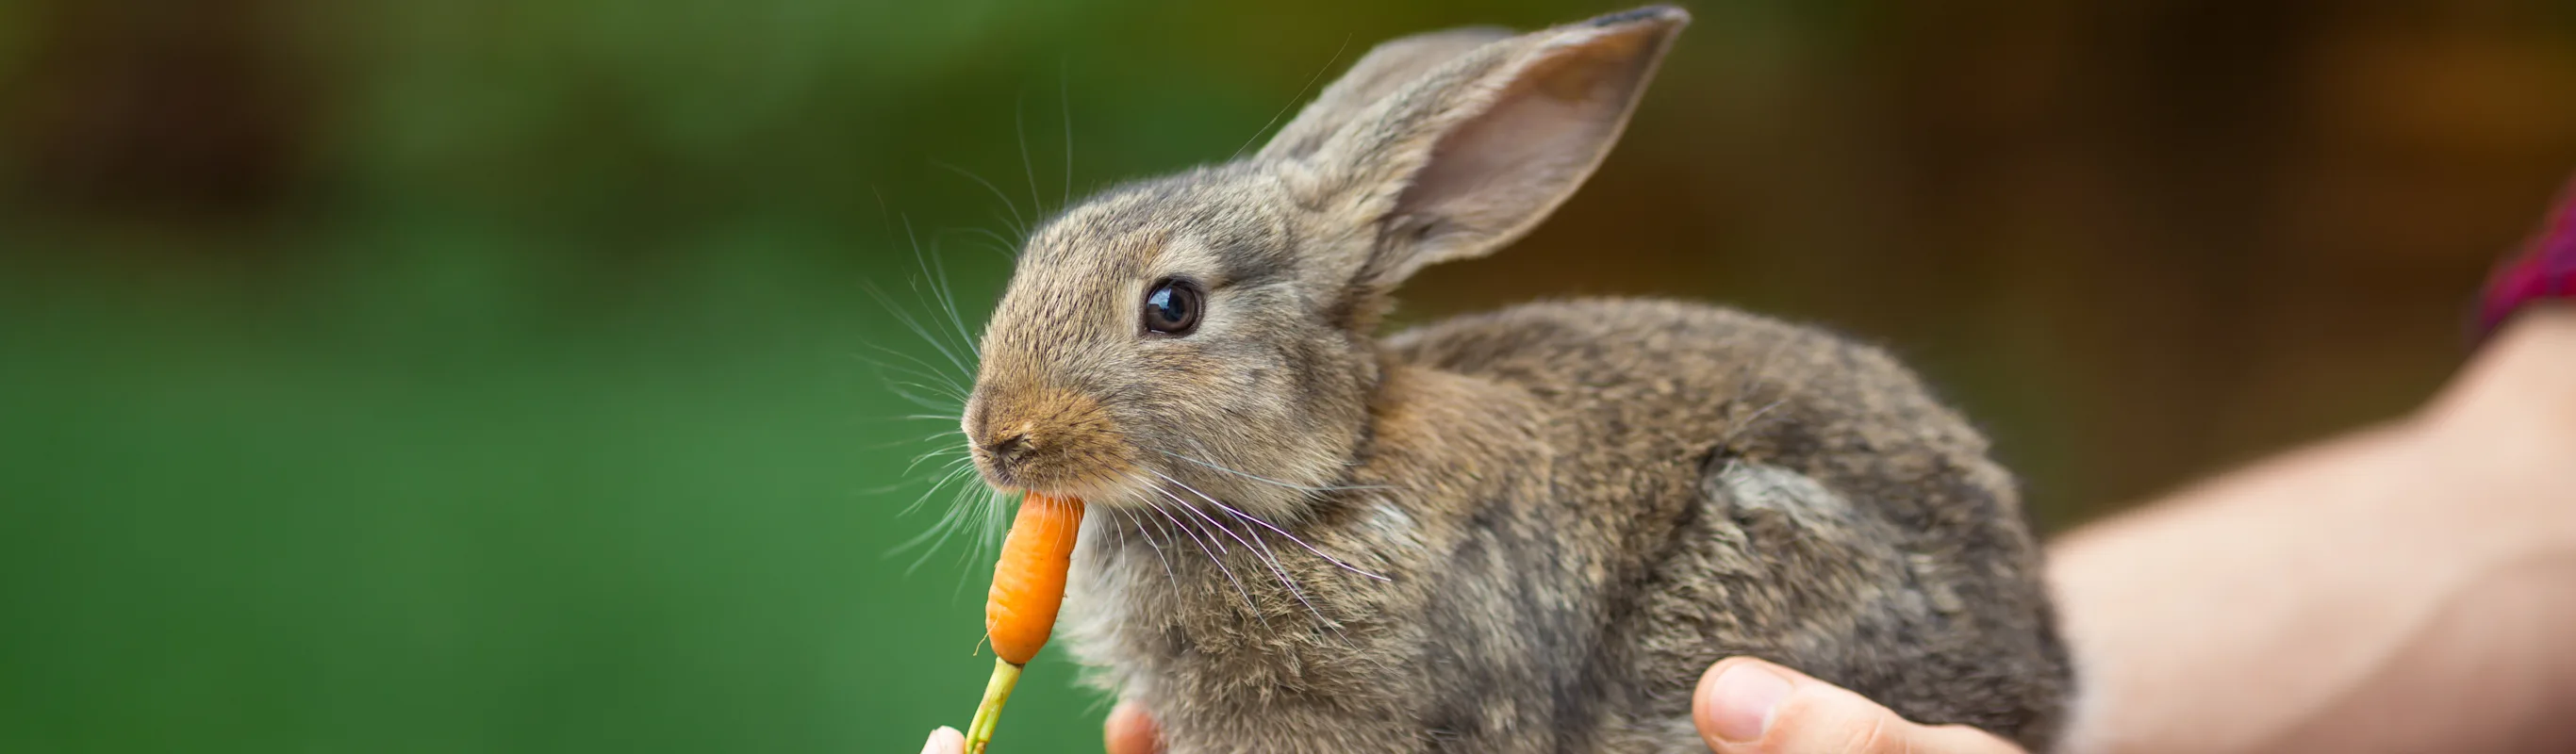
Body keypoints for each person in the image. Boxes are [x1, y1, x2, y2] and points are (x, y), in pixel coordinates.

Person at [925, 183, 2576, 754]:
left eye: (1161, 317)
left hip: (1818, 545)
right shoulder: (1202, 540)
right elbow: (2521, 505)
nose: (1004, 425)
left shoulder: (1377, 538)